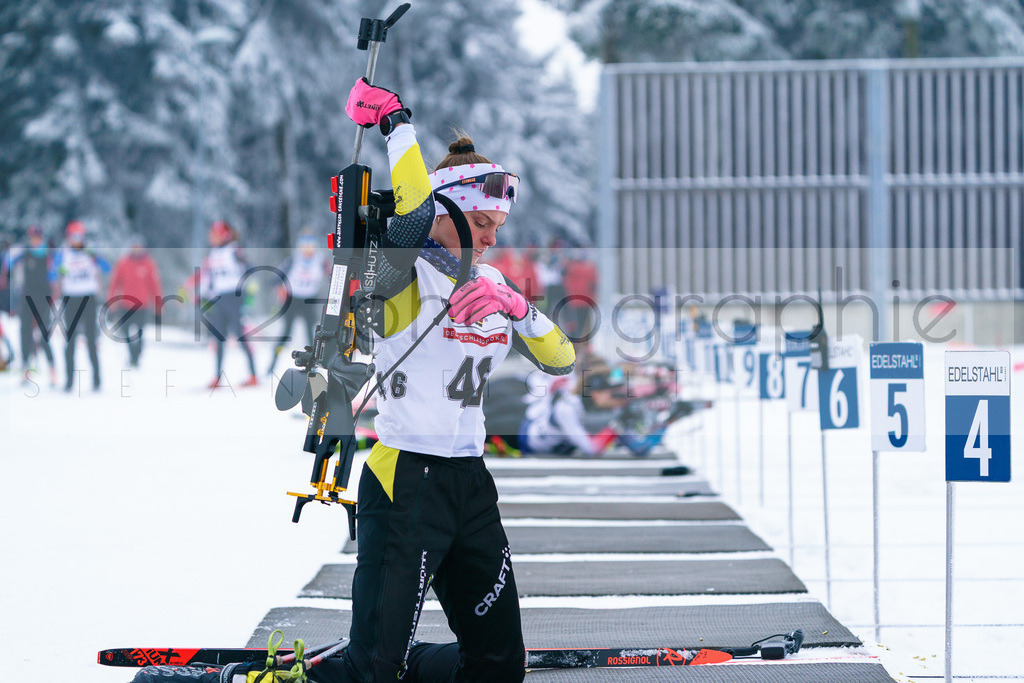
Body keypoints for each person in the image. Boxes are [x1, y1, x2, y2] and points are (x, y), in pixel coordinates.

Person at [192, 220, 258, 389]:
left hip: (234, 296)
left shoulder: (234, 249)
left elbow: (248, 268)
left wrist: (249, 288)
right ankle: (217, 377)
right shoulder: (213, 253)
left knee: (239, 335)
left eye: (216, 234)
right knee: (218, 337)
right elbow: (210, 277)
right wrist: (201, 293)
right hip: (219, 298)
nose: (212, 238)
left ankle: (253, 374)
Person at [54, 220, 110, 392]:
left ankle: (97, 380)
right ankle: (69, 380)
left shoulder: (90, 251)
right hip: (70, 298)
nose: (76, 240)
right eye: (73, 236)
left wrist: (95, 257)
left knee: (91, 339)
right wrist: (60, 272)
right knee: (70, 341)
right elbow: (53, 272)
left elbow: (107, 268)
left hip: (88, 298)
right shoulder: (62, 253)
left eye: (79, 236)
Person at [266, 230, 330, 376]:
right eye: (305, 246)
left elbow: (332, 276)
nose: (308, 250)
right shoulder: (293, 259)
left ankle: (313, 365)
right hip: (293, 299)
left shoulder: (320, 260)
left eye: (310, 246)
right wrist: (279, 287)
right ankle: (272, 365)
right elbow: (276, 278)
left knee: (311, 334)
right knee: (285, 334)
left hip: (309, 299)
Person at [2, 225, 59, 385]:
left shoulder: (48, 254)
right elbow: (8, 262)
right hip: (26, 297)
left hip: (43, 298)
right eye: (32, 237)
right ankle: (26, 371)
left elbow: (55, 274)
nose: (35, 240)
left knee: (43, 336)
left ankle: (52, 371)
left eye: (37, 237)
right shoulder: (24, 252)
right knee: (24, 334)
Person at [107, 234, 162, 368]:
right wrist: (111, 301)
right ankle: (132, 353)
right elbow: (114, 283)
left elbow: (154, 285)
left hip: (142, 305)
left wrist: (158, 304)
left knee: (139, 332)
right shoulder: (123, 263)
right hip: (125, 304)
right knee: (124, 331)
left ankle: (137, 356)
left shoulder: (148, 264)